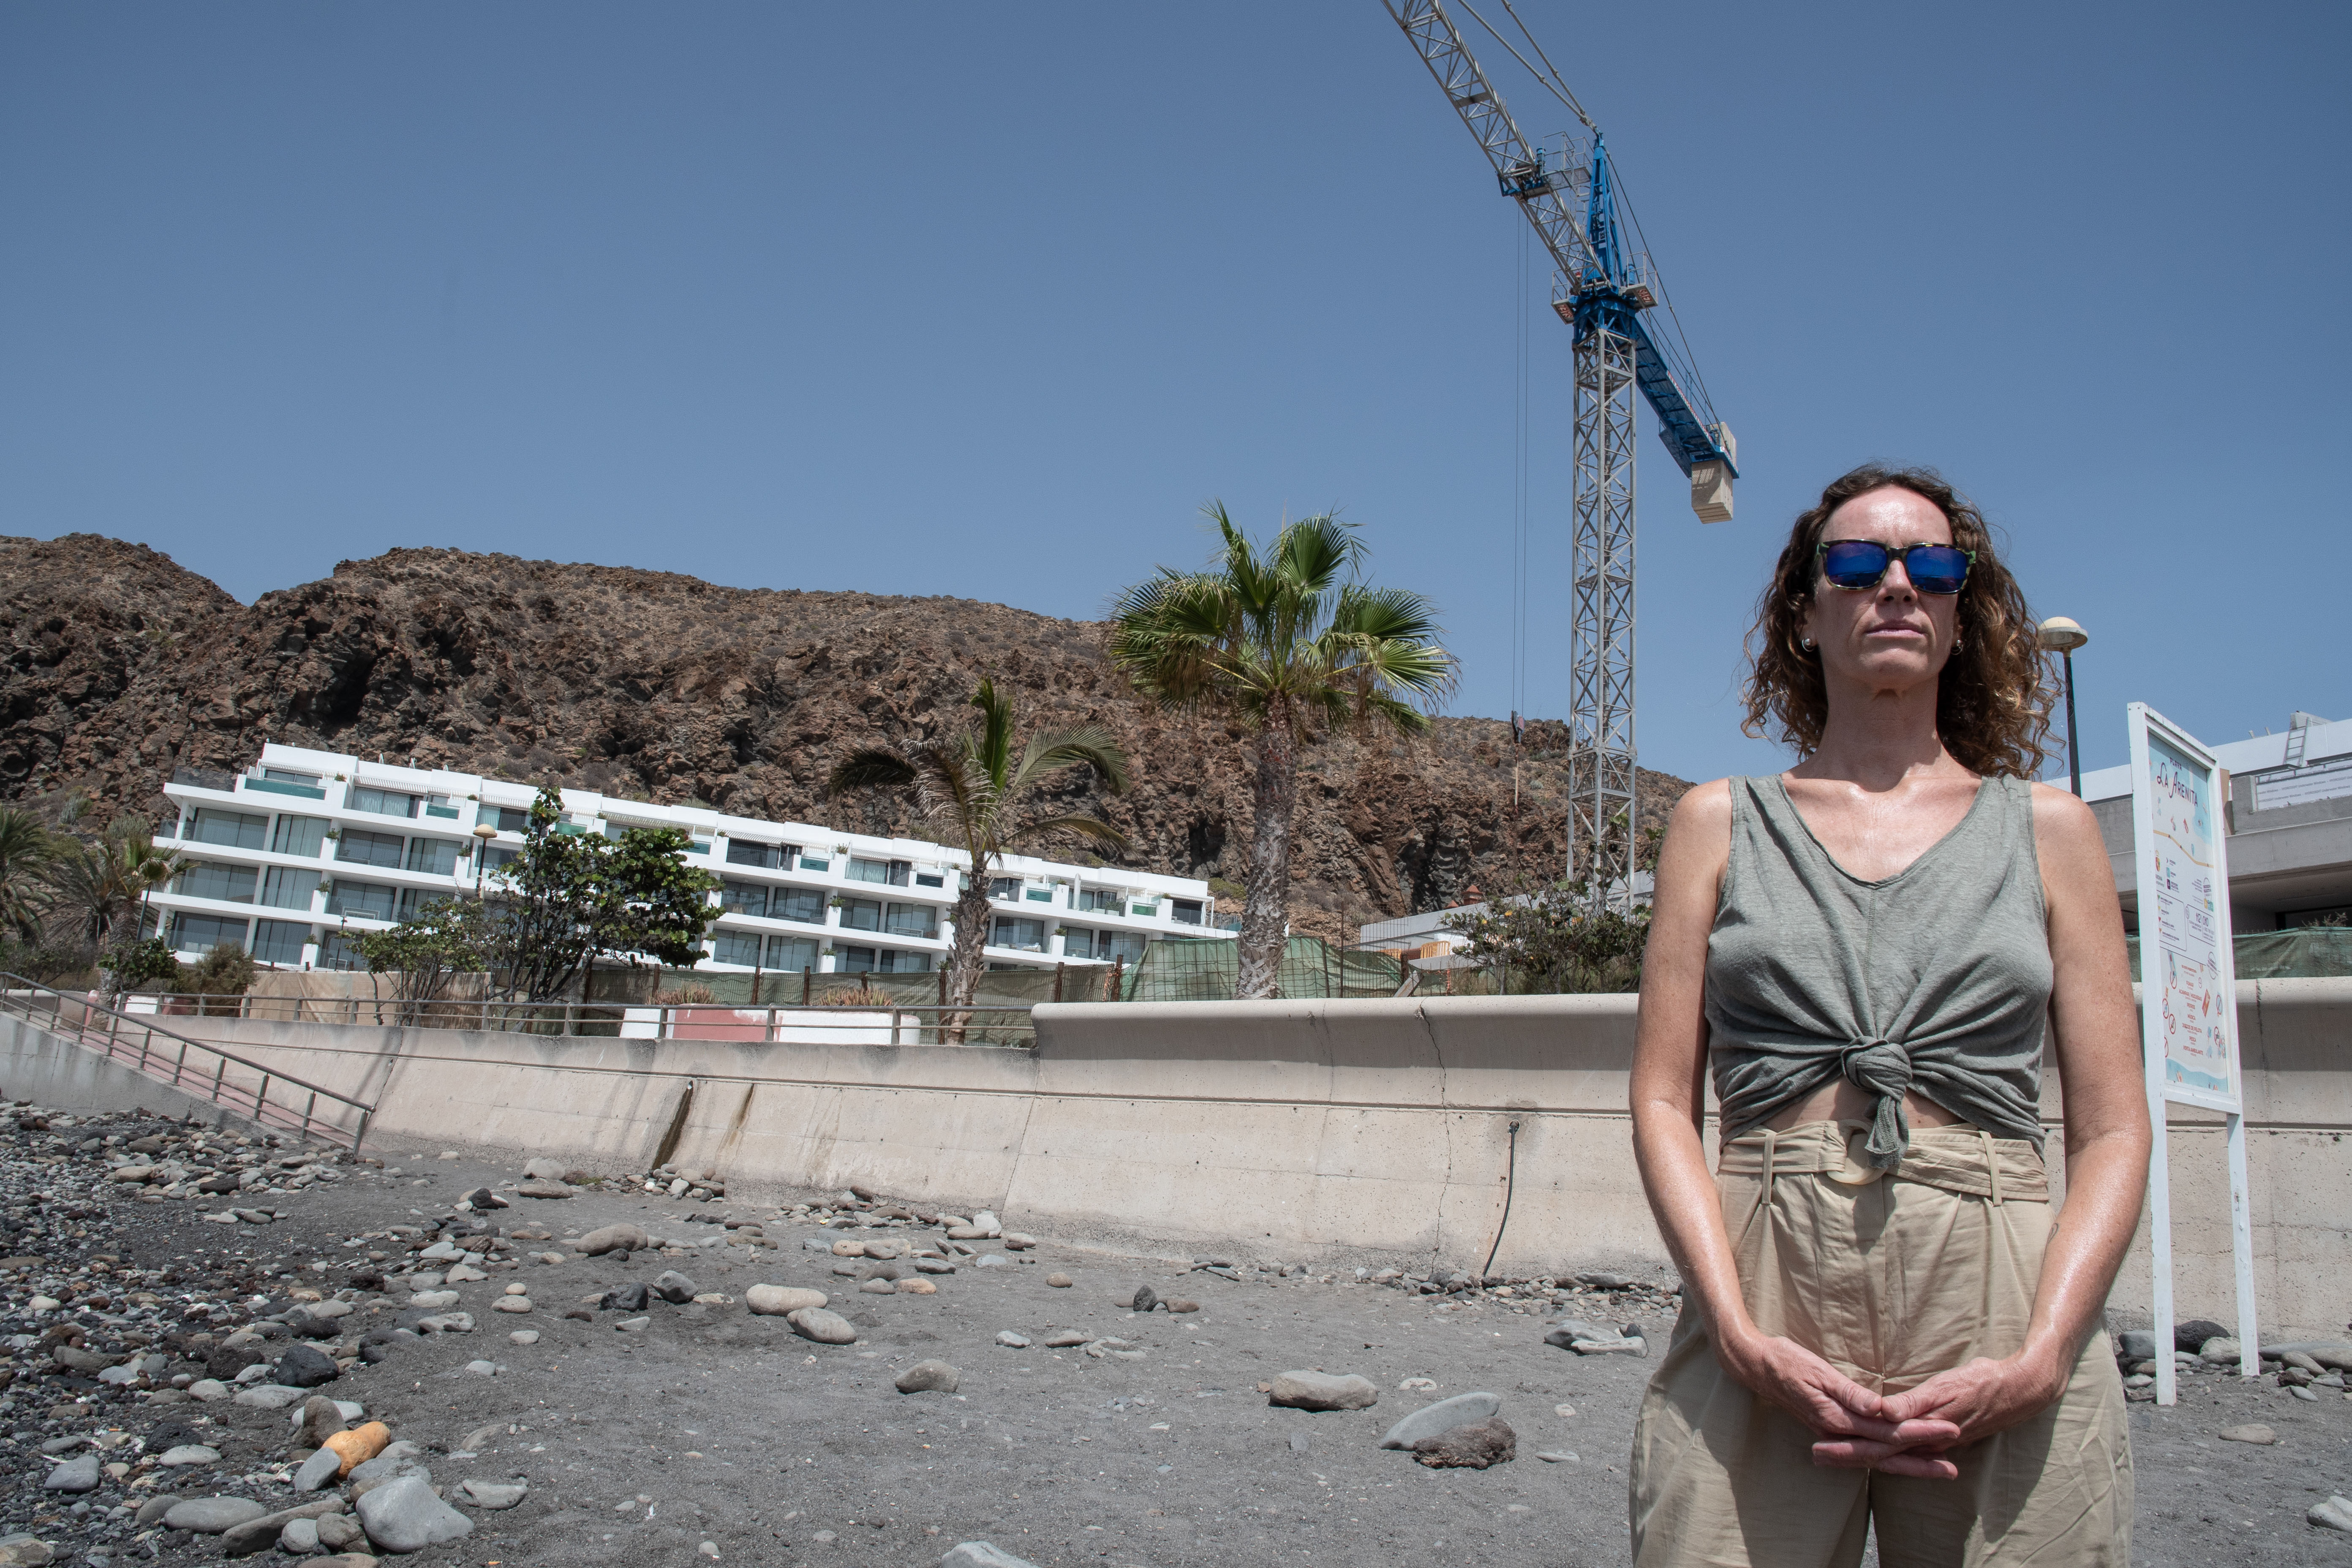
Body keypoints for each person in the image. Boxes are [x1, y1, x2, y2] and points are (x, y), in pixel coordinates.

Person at [1626, 464, 2149, 1565]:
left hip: (1997, 1282)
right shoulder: (1714, 824)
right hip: (1763, 1276)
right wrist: (1731, 1327)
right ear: (1805, 616)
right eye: (1858, 564)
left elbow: (2113, 1128)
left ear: (1964, 617)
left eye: (1935, 566)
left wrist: (2047, 1351)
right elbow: (1664, 1101)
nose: (1898, 585)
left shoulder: (2052, 831)